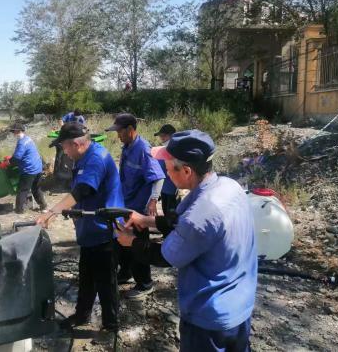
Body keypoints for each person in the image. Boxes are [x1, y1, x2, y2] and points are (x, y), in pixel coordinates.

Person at [116, 130, 257, 352]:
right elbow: (180, 221)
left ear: (187, 171)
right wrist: (145, 220)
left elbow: (166, 256)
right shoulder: (228, 186)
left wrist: (130, 241)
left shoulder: (201, 213)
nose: (165, 172)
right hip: (241, 305)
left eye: (168, 167)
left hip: (209, 319)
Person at [35, 122, 123, 331]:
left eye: (64, 147)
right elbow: (81, 192)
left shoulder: (96, 158)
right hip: (89, 229)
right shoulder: (83, 157)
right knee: (87, 277)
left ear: (76, 144)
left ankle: (111, 324)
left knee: (106, 282)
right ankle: (82, 315)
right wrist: (73, 213)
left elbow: (82, 190)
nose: (64, 151)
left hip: (104, 230)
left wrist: (52, 212)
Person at [105, 113, 165, 299]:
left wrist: (153, 200)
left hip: (138, 210)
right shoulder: (127, 147)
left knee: (138, 246)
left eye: (120, 131)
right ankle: (126, 273)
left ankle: (145, 284)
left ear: (130, 129)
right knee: (123, 243)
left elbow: (158, 177)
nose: (118, 135)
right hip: (126, 205)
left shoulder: (143, 149)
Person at [0, 122, 47, 213]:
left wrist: (5, 163)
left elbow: (16, 159)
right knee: (36, 188)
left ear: (18, 131)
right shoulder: (28, 139)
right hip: (38, 167)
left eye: (14, 131)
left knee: (22, 190)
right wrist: (11, 158)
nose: (13, 134)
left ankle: (19, 210)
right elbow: (25, 154)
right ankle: (43, 206)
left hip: (29, 170)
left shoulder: (21, 142)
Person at [154, 124, 179, 219]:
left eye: (163, 135)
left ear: (172, 136)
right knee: (166, 213)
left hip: (172, 190)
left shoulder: (176, 150)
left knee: (172, 217)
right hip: (164, 189)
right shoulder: (163, 149)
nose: (161, 138)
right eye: (161, 136)